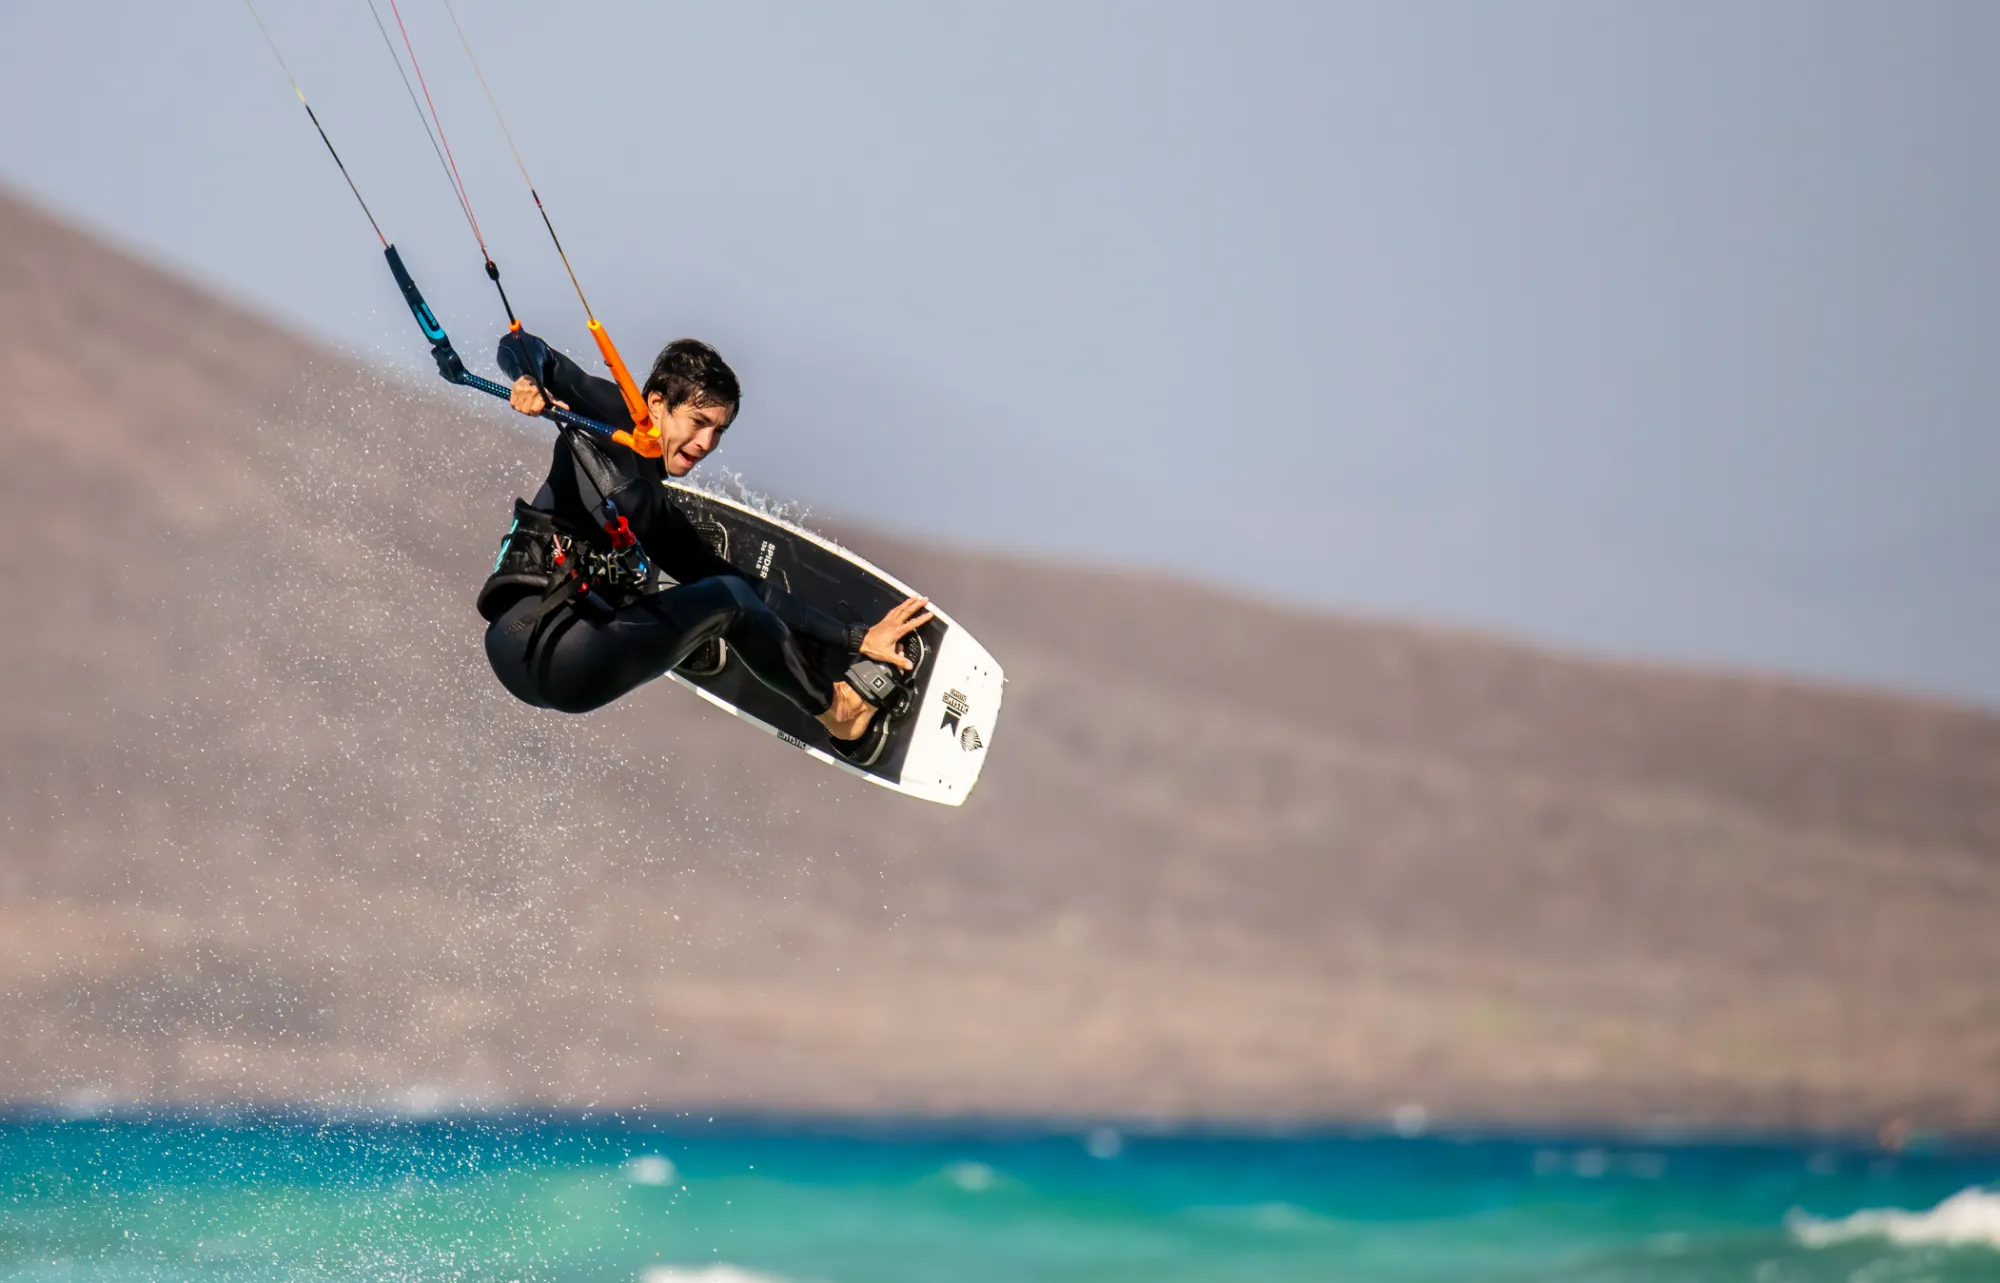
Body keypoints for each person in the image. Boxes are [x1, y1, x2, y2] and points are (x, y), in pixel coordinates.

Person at [475, 329, 931, 765]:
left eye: (718, 430)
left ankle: (694, 636)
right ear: (657, 404)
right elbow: (521, 344)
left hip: (526, 648)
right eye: (698, 423)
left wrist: (855, 637)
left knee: (685, 580)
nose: (706, 443)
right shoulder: (605, 420)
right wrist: (527, 379)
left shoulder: (637, 476)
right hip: (559, 653)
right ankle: (840, 712)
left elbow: (737, 583)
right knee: (723, 599)